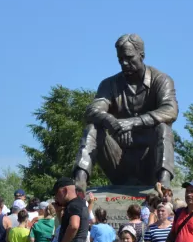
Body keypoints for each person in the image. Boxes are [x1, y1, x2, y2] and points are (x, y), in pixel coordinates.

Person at [73, 34, 179, 190]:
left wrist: (132, 123)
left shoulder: (161, 80)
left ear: (141, 55)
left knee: (163, 128)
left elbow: (170, 110)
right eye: (120, 59)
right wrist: (110, 120)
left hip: (150, 163)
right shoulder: (109, 84)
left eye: (129, 58)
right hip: (119, 162)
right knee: (93, 129)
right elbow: (92, 110)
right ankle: (79, 184)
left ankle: (164, 185)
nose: (124, 63)